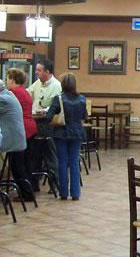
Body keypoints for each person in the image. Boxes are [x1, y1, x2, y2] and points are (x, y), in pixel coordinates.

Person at [0, 77, 32, 200]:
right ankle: (26, 192)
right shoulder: (9, 95)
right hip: (16, 138)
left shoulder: (2, 99)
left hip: (12, 140)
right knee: (18, 168)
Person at [45, 73, 87, 200]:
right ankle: (75, 193)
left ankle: (63, 192)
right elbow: (84, 116)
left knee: (62, 163)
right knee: (74, 162)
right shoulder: (82, 99)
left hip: (61, 133)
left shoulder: (59, 98)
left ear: (62, 84)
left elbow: (49, 116)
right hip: (77, 133)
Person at [27, 59, 61, 189]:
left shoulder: (56, 86)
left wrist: (46, 110)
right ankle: (34, 184)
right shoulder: (37, 83)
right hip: (35, 122)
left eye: (39, 70)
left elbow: (57, 106)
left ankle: (54, 184)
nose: (36, 72)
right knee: (34, 155)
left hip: (47, 124)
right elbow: (28, 93)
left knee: (49, 155)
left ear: (47, 72)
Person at [6, 67, 37, 196]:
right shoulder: (25, 91)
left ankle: (25, 192)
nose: (6, 81)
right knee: (27, 162)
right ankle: (30, 188)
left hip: (20, 129)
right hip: (30, 128)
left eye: (8, 78)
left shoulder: (13, 93)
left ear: (12, 79)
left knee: (16, 164)